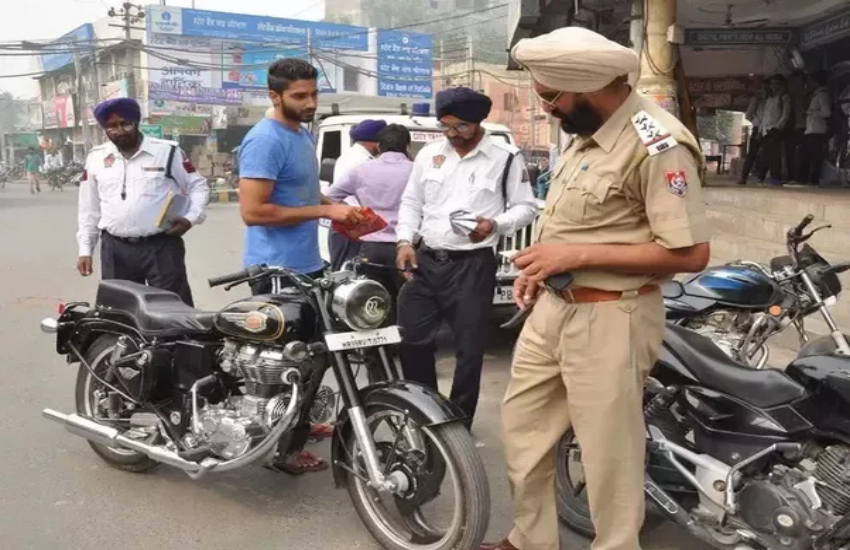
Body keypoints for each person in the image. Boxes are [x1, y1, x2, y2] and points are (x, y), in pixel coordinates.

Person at [481, 27, 711, 550]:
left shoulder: (659, 144)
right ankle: (530, 540)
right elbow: (581, 227)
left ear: (584, 86)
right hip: (553, 309)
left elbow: (691, 254)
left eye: (549, 98)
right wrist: (541, 269)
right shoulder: (587, 134)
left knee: (607, 455)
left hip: (612, 317)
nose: (547, 111)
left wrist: (575, 256)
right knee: (522, 431)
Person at [237, 58, 363, 475]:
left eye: (314, 94)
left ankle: (300, 424)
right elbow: (254, 212)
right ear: (275, 96)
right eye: (300, 96)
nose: (310, 103)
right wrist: (326, 209)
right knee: (284, 364)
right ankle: (280, 451)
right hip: (275, 269)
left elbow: (301, 194)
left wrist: (335, 208)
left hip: (307, 264)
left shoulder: (301, 132)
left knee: (315, 355)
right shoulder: (265, 140)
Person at [395, 86, 538, 429]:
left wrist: (495, 225)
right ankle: (423, 410)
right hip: (427, 260)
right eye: (445, 126)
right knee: (412, 338)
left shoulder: (505, 158)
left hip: (473, 265)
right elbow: (412, 201)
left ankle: (458, 421)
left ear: (478, 121)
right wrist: (404, 241)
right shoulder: (430, 154)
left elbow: (527, 207)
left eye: (460, 127)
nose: (452, 134)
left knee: (469, 349)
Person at [76, 98, 209, 306]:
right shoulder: (96, 158)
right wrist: (85, 249)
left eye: (125, 123)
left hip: (161, 246)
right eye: (111, 126)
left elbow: (198, 186)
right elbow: (89, 208)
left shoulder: (168, 152)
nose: (119, 131)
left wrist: (191, 218)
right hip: (115, 248)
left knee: (173, 313)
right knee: (119, 315)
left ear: (136, 122)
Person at [326, 123, 413, 305]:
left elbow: (330, 196)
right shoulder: (417, 170)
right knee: (406, 301)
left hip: (370, 248)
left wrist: (355, 213)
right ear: (407, 146)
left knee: (371, 301)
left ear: (379, 146)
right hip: (405, 248)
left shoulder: (360, 171)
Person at [328, 119, 387, 270]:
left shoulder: (353, 156)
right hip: (351, 224)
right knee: (347, 270)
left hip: (353, 223)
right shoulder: (360, 161)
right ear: (376, 142)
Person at [758, 74, 792, 186]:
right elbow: (764, 116)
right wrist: (760, 130)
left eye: (777, 83)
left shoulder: (784, 97)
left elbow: (785, 115)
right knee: (765, 155)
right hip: (764, 130)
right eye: (772, 83)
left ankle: (775, 178)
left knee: (775, 155)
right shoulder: (768, 98)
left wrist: (777, 127)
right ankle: (763, 177)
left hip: (775, 129)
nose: (774, 86)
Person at [801, 71, 832, 186]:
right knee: (809, 156)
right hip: (812, 129)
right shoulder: (816, 94)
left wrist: (810, 112)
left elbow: (826, 112)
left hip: (817, 130)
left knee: (814, 157)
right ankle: (810, 179)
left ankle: (814, 180)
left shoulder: (822, 94)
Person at [737, 91, 765, 185]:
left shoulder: (770, 100)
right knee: (754, 154)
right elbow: (748, 115)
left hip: (765, 127)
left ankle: (758, 177)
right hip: (759, 128)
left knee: (758, 154)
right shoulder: (757, 100)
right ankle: (747, 177)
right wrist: (756, 122)